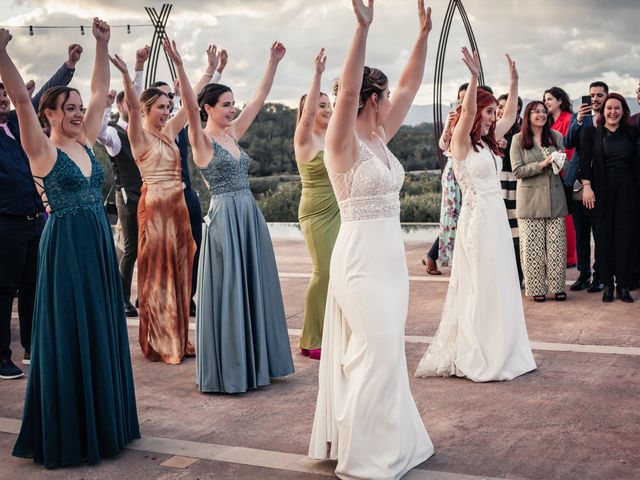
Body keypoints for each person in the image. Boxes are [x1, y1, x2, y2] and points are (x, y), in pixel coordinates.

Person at [0, 19, 140, 468]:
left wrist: (102, 46)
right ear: (50, 114)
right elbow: (21, 99)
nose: (79, 112)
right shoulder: (41, 149)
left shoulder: (85, 139)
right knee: (68, 332)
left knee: (99, 328)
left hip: (98, 244)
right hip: (64, 249)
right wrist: (1, 53)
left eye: (79, 107)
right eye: (69, 107)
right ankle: (71, 426)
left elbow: (100, 94)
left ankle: (104, 419)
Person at [309, 1, 435, 477]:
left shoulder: (381, 137)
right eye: (382, 96)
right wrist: (362, 30)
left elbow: (410, 84)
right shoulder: (342, 144)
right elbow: (343, 100)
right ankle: (365, 456)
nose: (391, 101)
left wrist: (422, 36)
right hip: (359, 264)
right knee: (375, 351)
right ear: (370, 98)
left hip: (390, 265)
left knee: (387, 353)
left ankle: (392, 442)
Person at [175, 39, 294, 393]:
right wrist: (181, 66)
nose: (233, 109)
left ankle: (259, 362)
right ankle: (234, 368)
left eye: (232, 104)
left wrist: (272, 62)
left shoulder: (234, 133)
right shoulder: (202, 141)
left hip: (249, 215)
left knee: (253, 286)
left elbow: (258, 99)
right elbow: (186, 102)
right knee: (231, 291)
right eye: (226, 105)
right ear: (207, 109)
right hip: (226, 217)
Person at [415, 47, 536, 382]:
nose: (494, 117)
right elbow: (466, 113)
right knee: (481, 283)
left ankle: (503, 347)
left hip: (494, 218)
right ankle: (480, 350)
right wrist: (472, 78)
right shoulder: (460, 144)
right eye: (489, 112)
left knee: (501, 281)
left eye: (494, 112)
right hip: (477, 222)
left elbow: (511, 117)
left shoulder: (488, 142)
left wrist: (514, 82)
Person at [109, 39, 217, 364]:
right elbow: (130, 99)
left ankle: (180, 338)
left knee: (182, 271)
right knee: (157, 274)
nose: (167, 111)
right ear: (144, 110)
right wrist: (133, 72)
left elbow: (192, 104)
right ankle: (160, 339)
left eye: (168, 107)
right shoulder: (138, 136)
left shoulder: (170, 131)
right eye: (161, 107)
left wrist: (200, 68)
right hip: (154, 207)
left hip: (178, 207)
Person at [0, 44, 81, 379]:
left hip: (35, 221)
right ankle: (2, 357)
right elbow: (24, 99)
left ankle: (34, 349)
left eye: (4, 94)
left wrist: (68, 65)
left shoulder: (18, 128)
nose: (4, 99)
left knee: (34, 287)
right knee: (3, 292)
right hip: (5, 223)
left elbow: (37, 99)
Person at [96, 46, 148, 318]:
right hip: (127, 196)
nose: (133, 106)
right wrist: (104, 107)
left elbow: (135, 95)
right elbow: (99, 133)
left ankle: (144, 297)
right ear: (119, 106)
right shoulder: (115, 134)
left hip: (149, 195)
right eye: (127, 103)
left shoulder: (145, 130)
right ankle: (121, 298)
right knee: (130, 249)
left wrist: (138, 66)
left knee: (148, 248)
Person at [294, 48, 339, 360]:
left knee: (340, 271)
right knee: (323, 271)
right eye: (320, 105)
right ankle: (311, 339)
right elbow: (309, 113)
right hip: (316, 211)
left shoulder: (334, 138)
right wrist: (318, 74)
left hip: (341, 210)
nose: (326, 109)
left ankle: (336, 332)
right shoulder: (305, 139)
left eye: (329, 104)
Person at [579, 93, 640, 303]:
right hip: (600, 191)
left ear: (623, 111)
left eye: (617, 108)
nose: (613, 112)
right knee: (603, 239)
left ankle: (623, 285)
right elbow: (585, 162)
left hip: (628, 190)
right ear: (602, 111)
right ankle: (606, 285)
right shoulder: (591, 133)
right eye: (609, 108)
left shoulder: (632, 132)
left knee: (625, 238)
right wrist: (587, 186)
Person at [510, 101, 568, 302]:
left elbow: (565, 165)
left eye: (544, 111)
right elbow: (517, 171)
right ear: (528, 115)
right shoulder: (518, 140)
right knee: (532, 247)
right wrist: (542, 164)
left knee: (556, 246)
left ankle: (558, 286)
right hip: (530, 200)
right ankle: (536, 288)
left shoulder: (556, 137)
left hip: (555, 198)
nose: (541, 115)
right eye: (536, 111)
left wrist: (560, 162)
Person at [564, 81, 608, 293]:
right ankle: (584, 274)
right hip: (579, 183)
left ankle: (600, 276)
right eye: (592, 95)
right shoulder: (578, 117)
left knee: (600, 233)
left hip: (602, 182)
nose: (595, 99)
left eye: (600, 95)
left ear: (606, 96)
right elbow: (568, 143)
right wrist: (579, 120)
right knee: (581, 230)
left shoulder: (610, 118)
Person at [422, 83, 466, 275]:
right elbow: (442, 145)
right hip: (454, 171)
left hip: (472, 170)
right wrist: (448, 125)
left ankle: (433, 256)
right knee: (452, 216)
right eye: (461, 97)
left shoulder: (480, 118)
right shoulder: (454, 118)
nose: (463, 101)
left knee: (467, 215)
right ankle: (435, 256)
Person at [544, 86, 577, 268]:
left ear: (560, 101)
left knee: (567, 216)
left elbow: (569, 149)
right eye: (545, 99)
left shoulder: (568, 119)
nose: (546, 102)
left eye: (549, 99)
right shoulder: (548, 123)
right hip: (552, 174)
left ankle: (570, 257)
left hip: (566, 173)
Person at [496, 93, 524, 285]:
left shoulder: (519, 133)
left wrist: (507, 148)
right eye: (499, 106)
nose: (500, 111)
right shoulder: (488, 130)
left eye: (505, 107)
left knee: (516, 230)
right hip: (495, 184)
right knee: (499, 229)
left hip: (513, 183)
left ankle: (519, 273)